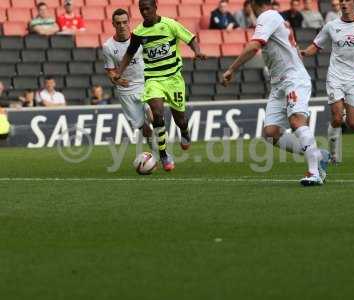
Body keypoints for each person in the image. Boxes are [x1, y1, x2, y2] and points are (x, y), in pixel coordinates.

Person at [222, 0, 329, 186]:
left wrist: (232, 69)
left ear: (253, 5)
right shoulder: (274, 17)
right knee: (271, 133)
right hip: (279, 83)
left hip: (293, 78)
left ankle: (314, 173)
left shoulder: (267, 16)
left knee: (296, 120)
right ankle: (318, 155)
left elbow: (255, 46)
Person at [112, 0, 206, 171]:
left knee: (180, 119)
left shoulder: (170, 25)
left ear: (156, 7)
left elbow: (190, 37)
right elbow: (129, 53)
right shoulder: (139, 32)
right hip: (153, 79)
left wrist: (197, 51)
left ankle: (184, 132)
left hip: (173, 79)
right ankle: (164, 155)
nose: (144, 12)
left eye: (147, 8)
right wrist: (119, 71)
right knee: (156, 113)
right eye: (141, 9)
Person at [300, 0, 354, 163]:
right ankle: (334, 155)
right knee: (337, 117)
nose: (344, 3)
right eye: (341, 1)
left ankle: (339, 120)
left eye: (347, 0)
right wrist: (304, 53)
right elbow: (316, 45)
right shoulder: (331, 26)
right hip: (335, 77)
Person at [103, 8, 152, 148]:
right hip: (126, 90)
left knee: (154, 115)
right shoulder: (108, 46)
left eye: (124, 22)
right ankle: (158, 153)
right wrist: (115, 79)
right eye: (118, 23)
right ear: (113, 24)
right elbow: (110, 71)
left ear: (129, 22)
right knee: (145, 129)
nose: (122, 25)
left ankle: (164, 152)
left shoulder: (140, 39)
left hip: (145, 83)